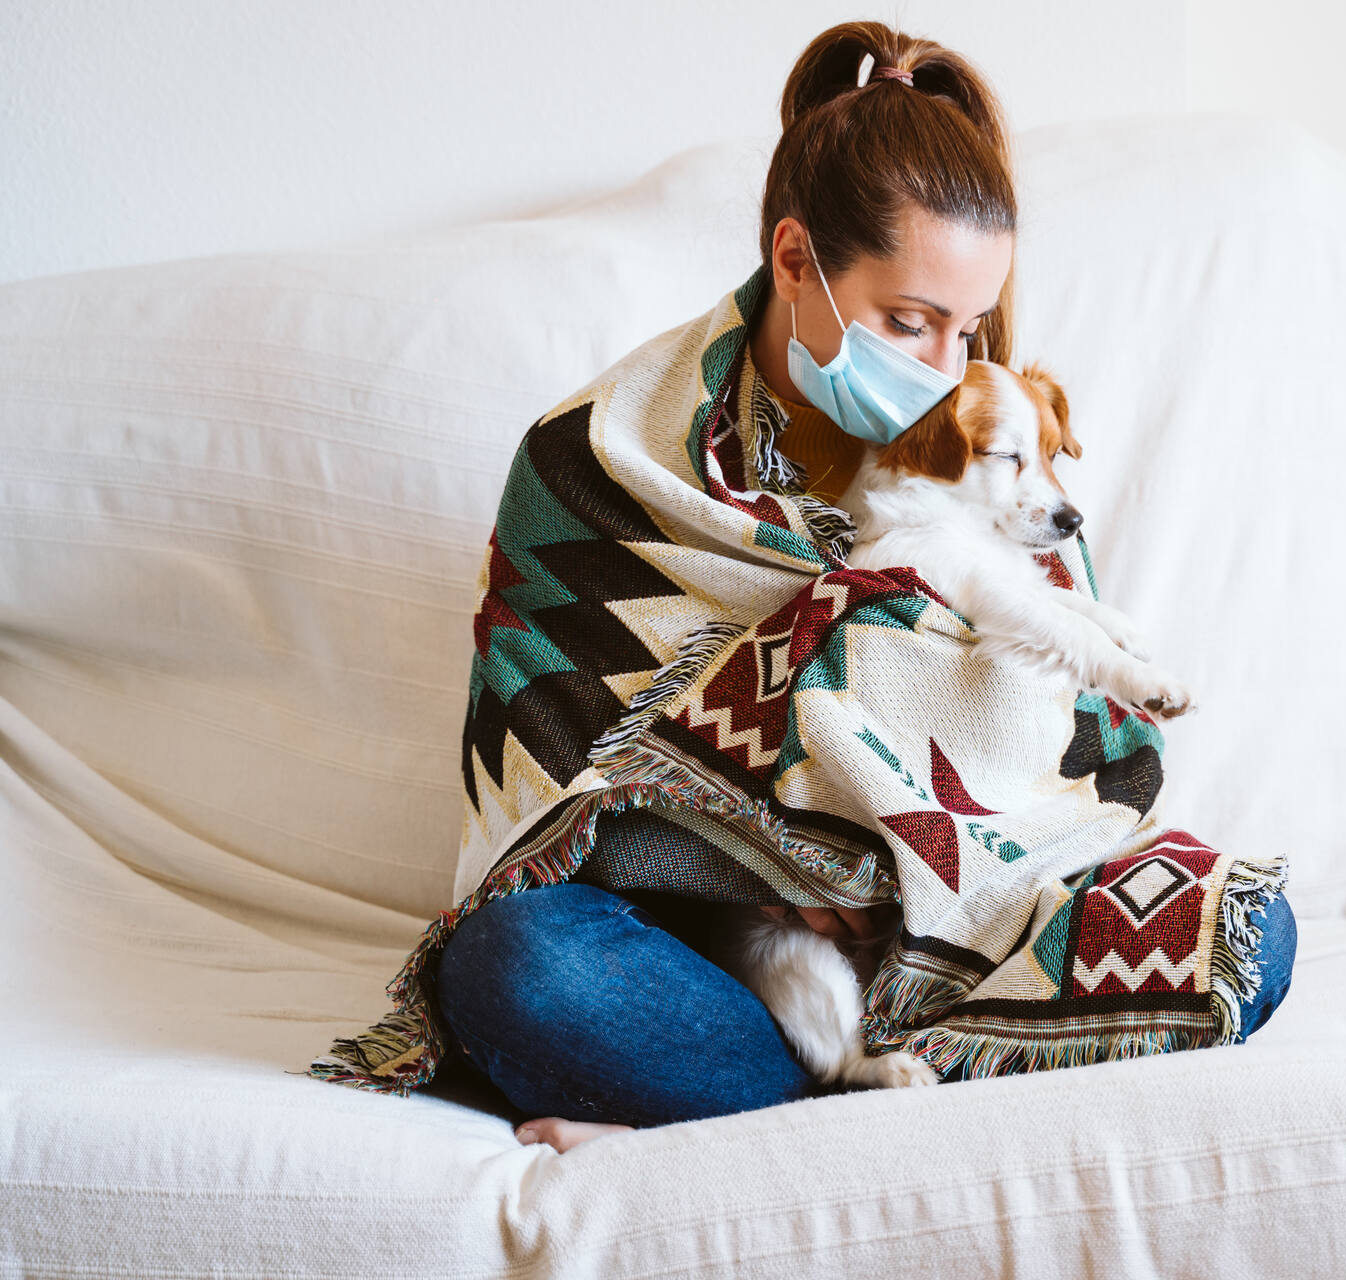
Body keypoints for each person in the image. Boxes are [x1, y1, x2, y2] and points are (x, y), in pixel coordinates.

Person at [426, 21, 1298, 1154]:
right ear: (796, 262)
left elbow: (1078, 745)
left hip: (963, 917)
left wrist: (902, 855)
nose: (944, 365)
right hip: (722, 948)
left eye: (968, 325)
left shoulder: (997, 440)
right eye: (907, 322)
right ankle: (860, 1094)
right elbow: (551, 793)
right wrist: (765, 861)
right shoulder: (594, 459)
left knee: (1249, 930)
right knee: (518, 965)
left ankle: (753, 1105)